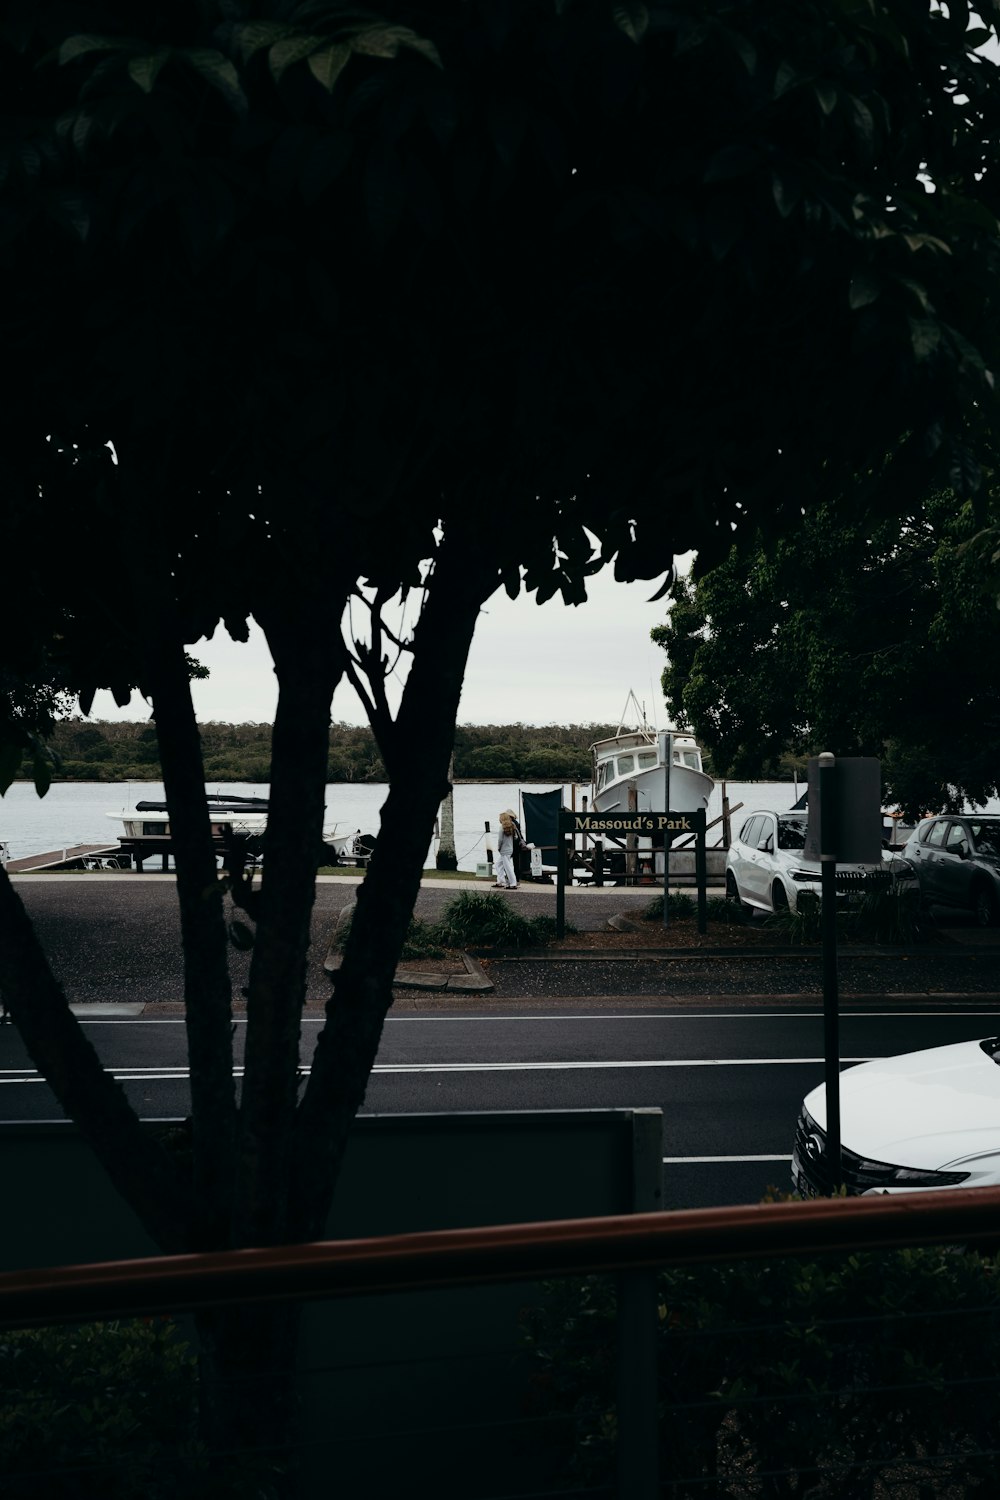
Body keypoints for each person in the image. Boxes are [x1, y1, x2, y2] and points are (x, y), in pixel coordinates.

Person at [494, 809, 522, 890]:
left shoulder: (502, 828)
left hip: (504, 850)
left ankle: (513, 883)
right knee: (498, 864)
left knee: (508, 867)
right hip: (510, 849)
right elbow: (516, 837)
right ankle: (501, 880)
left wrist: (498, 848)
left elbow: (500, 840)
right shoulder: (512, 826)